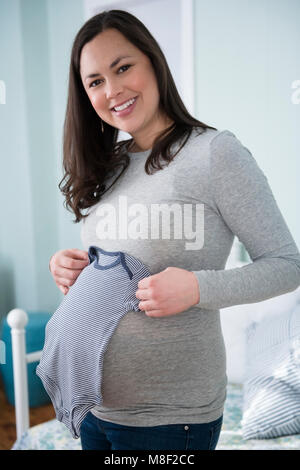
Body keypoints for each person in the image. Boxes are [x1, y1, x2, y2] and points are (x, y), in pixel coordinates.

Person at [48, 10, 300, 450]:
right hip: (96, 412)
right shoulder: (107, 168)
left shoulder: (215, 154)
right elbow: (114, 269)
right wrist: (73, 270)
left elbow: (287, 264)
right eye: (95, 81)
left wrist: (197, 288)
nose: (113, 90)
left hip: (172, 420)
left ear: (154, 63)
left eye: (123, 67)